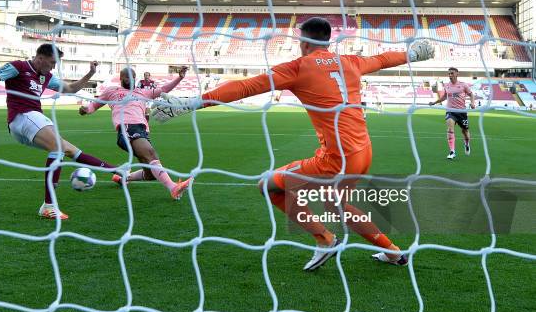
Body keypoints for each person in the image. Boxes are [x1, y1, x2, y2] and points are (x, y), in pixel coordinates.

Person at [151, 17, 435, 271]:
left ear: (303, 42)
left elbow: (247, 87)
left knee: (268, 186)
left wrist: (191, 103)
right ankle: (393, 253)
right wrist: (413, 54)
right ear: (327, 41)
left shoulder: (299, 67)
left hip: (336, 159)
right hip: (362, 151)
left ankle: (325, 239)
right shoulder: (350, 61)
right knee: (337, 205)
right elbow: (383, 59)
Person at [0, 43, 117, 220]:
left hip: (33, 120)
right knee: (58, 148)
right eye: (52, 62)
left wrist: (90, 73)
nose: (53, 67)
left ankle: (119, 172)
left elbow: (70, 89)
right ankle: (48, 206)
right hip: (22, 117)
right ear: (40, 58)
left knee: (70, 150)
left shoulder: (46, 76)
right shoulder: (18, 67)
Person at [79, 66, 192, 200]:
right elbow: (94, 105)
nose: (130, 79)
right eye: (127, 76)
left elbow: (164, 89)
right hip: (127, 128)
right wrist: (86, 109)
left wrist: (180, 77)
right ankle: (173, 188)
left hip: (142, 131)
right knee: (151, 154)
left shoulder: (143, 92)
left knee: (150, 174)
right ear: (121, 78)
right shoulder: (112, 91)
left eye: (132, 76)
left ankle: (124, 178)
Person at [429, 67, 475, 160]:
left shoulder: (463, 85)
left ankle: (466, 144)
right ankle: (452, 152)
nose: (450, 75)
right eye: (449, 73)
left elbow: (471, 94)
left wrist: (472, 103)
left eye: (452, 73)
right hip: (450, 111)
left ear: (457, 74)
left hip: (462, 112)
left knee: (465, 132)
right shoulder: (447, 85)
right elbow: (444, 97)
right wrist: (434, 102)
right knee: (450, 129)